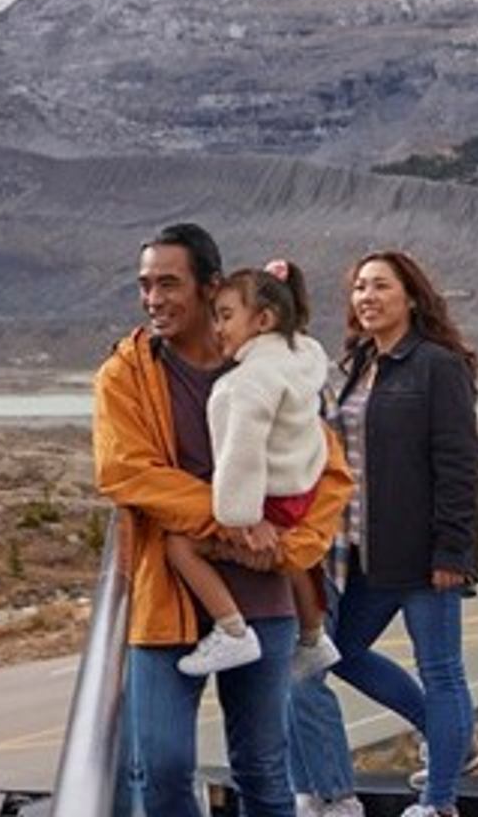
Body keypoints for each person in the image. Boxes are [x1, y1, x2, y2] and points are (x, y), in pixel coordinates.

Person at [93, 224, 352, 817]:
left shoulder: (266, 366)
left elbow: (328, 471)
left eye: (168, 283)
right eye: (144, 285)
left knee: (263, 765)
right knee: (160, 767)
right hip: (168, 597)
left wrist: (292, 548)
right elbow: (124, 471)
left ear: (211, 288)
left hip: (265, 592)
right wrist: (229, 522)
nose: (153, 298)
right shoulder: (126, 374)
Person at [290, 250, 478, 817]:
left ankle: (438, 801)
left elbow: (458, 465)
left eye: (380, 287)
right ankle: (449, 734)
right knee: (339, 652)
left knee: (442, 669)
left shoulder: (436, 365)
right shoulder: (355, 364)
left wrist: (454, 550)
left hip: (425, 553)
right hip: (362, 552)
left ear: (411, 297)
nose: (367, 297)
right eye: (358, 288)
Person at [166, 260, 339, 680]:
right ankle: (314, 636)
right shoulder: (304, 356)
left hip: (272, 502)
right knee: (293, 556)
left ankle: (232, 630)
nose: (218, 329)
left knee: (180, 546)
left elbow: (240, 457)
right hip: (301, 493)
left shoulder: (244, 383)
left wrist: (241, 518)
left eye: (226, 316)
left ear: (263, 320)